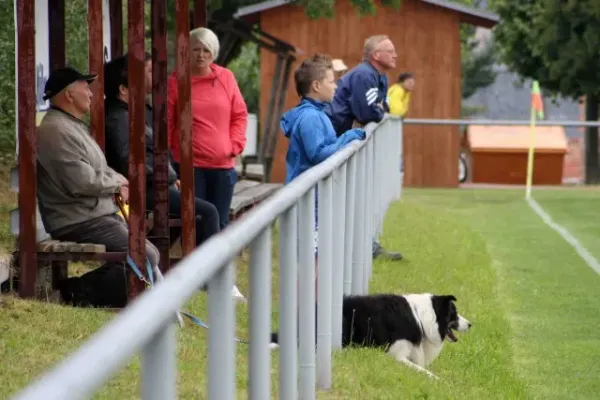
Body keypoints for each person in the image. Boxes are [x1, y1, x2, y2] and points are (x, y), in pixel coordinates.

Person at [104, 53, 245, 301]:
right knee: (207, 212)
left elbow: (157, 151)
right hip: (140, 189)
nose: (150, 80)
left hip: (152, 185)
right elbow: (130, 162)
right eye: (144, 75)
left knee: (196, 212)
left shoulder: (134, 112)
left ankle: (185, 275)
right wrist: (166, 178)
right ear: (124, 89)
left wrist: (169, 176)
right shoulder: (118, 117)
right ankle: (215, 281)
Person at [36, 66, 160, 275]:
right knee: (145, 257)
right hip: (77, 220)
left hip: (93, 213)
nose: (92, 94)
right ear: (69, 95)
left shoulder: (69, 125)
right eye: (86, 89)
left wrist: (117, 181)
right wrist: (117, 184)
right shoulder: (56, 130)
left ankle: (138, 295)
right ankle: (75, 292)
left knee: (150, 254)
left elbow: (98, 168)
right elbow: (81, 182)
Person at [324, 34, 404, 261]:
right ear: (376, 55)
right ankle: (355, 249)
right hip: (335, 141)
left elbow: (384, 107)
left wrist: (378, 108)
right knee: (342, 198)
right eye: (391, 51)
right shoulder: (364, 75)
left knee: (356, 196)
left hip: (348, 140)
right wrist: (377, 109)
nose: (395, 55)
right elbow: (368, 113)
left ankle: (365, 246)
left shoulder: (380, 77)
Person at [281, 54, 366, 255]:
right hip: (308, 200)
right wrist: (348, 137)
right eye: (332, 81)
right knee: (313, 258)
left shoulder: (318, 113)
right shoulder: (311, 117)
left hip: (314, 198)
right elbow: (318, 154)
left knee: (318, 255)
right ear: (317, 86)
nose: (336, 86)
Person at [167, 27, 248, 231]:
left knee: (220, 224)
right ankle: (199, 263)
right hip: (189, 167)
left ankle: (220, 264)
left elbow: (239, 114)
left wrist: (235, 145)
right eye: (195, 49)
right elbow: (167, 124)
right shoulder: (176, 82)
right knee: (197, 224)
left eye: (206, 50)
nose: (201, 55)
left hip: (223, 168)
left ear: (214, 52)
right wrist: (168, 163)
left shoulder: (226, 77)